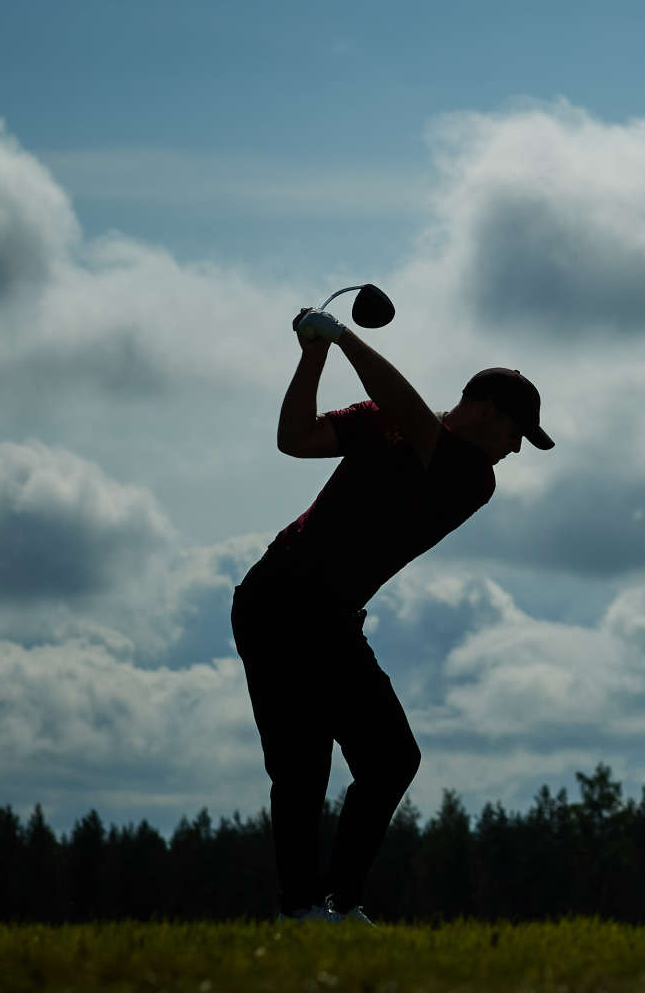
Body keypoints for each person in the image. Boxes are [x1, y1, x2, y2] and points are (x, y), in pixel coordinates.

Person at [230, 304, 553, 924]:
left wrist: (342, 336)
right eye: (518, 432)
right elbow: (295, 439)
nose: (517, 448)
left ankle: (338, 904)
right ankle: (303, 911)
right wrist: (315, 356)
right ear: (487, 410)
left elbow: (410, 414)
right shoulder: (385, 420)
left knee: (390, 760)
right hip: (277, 600)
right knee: (303, 764)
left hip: (328, 617)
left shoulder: (471, 477)